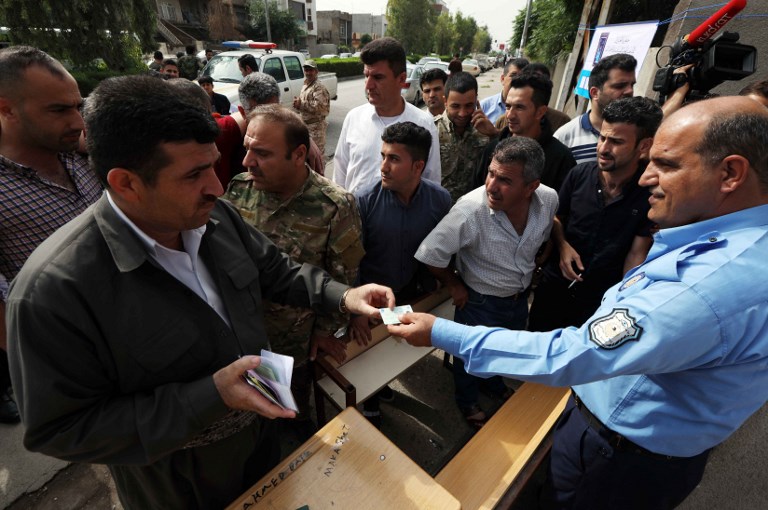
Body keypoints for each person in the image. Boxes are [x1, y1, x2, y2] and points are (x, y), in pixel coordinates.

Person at [6, 75, 393, 510]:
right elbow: (61, 429)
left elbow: (276, 270)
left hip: (262, 440)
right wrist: (211, 396)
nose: (216, 185)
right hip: (177, 482)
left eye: (212, 164)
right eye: (194, 174)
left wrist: (343, 296)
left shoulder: (217, 217)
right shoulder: (54, 291)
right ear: (126, 183)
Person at [390, 96, 768, 510]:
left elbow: (572, 353)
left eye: (668, 165)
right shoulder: (728, 243)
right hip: (616, 435)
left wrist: (439, 331)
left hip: (619, 457)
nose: (647, 179)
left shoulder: (710, 285)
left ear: (731, 173)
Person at [224, 104, 363, 434]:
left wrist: (324, 331)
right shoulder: (240, 190)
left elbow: (343, 276)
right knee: (251, 415)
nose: (247, 162)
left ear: (299, 154)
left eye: (262, 153)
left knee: (288, 414)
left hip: (293, 343)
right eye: (246, 150)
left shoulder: (335, 205)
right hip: (244, 335)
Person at [414, 137, 558, 427]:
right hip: (479, 303)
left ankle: (493, 386)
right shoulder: (469, 210)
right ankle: (467, 401)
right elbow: (430, 254)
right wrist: (454, 285)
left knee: (504, 351)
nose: (491, 185)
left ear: (532, 187)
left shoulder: (549, 200)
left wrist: (550, 251)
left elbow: (550, 226)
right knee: (470, 358)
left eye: (504, 180)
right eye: (491, 173)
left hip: (519, 300)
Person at [0, 46, 102, 424]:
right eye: (58, 110)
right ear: (6, 109)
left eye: (77, 106)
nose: (77, 121)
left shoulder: (85, 155)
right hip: (69, 352)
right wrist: (55, 366)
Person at [528, 96, 661, 331]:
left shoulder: (648, 195)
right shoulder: (579, 175)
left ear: (644, 146)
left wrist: (625, 302)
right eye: (602, 137)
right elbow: (557, 217)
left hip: (600, 304)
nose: (603, 148)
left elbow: (636, 254)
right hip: (554, 290)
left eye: (616, 142)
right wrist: (563, 246)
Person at [333, 37, 440, 195]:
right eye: (366, 76)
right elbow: (339, 177)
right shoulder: (353, 118)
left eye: (378, 77)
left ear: (402, 79)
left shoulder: (423, 124)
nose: (368, 85)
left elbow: (431, 183)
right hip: (353, 218)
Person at [475, 72, 575, 191]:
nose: (510, 115)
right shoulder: (492, 150)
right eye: (508, 106)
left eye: (519, 107)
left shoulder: (561, 159)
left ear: (540, 112)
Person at [237, 72, 326, 176]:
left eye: (273, 111)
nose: (266, 121)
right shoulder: (228, 135)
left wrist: (304, 138)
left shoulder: (299, 149)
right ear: (243, 113)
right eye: (258, 115)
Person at [554, 53, 636, 164]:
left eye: (632, 85)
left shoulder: (637, 132)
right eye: (620, 86)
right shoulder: (565, 137)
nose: (629, 91)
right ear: (595, 93)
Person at [436, 71, 496, 202]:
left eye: (469, 105)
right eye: (456, 106)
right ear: (445, 101)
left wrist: (494, 134)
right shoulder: (431, 130)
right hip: (437, 209)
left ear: (476, 100)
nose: (462, 113)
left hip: (474, 209)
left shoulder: (487, 131)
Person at [293, 60, 331, 155]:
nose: (308, 73)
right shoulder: (306, 84)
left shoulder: (318, 87)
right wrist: (298, 103)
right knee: (307, 157)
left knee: (317, 157)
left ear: (316, 71)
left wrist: (301, 104)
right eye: (306, 70)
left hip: (316, 130)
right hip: (306, 127)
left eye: (311, 70)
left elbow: (320, 107)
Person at [479, 57, 528, 124]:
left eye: (522, 76)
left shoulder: (531, 110)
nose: (518, 80)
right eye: (513, 75)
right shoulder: (484, 107)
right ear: (502, 79)